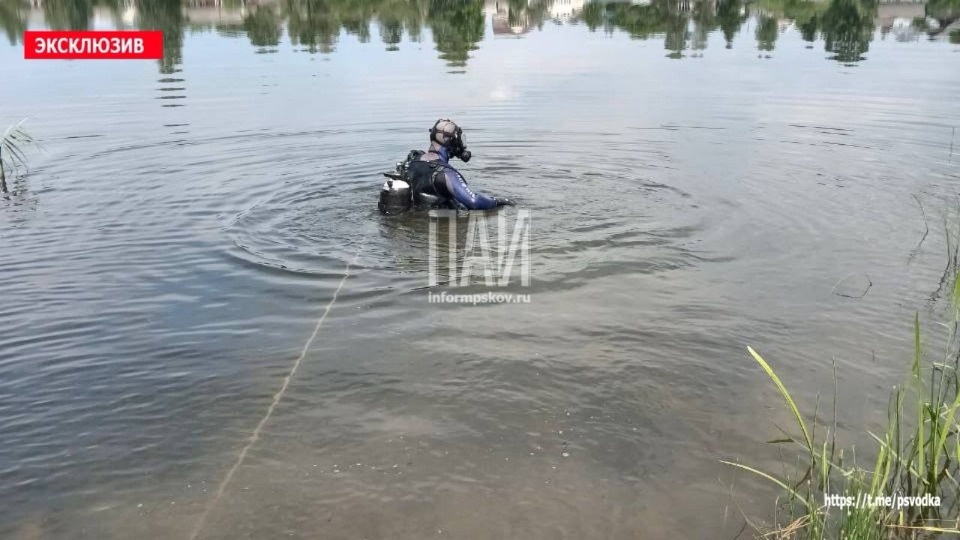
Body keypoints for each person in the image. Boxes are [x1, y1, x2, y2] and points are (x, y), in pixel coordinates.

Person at [405, 119, 515, 210]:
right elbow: (474, 202)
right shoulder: (445, 173)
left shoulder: (413, 160)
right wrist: (498, 201)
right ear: (451, 142)